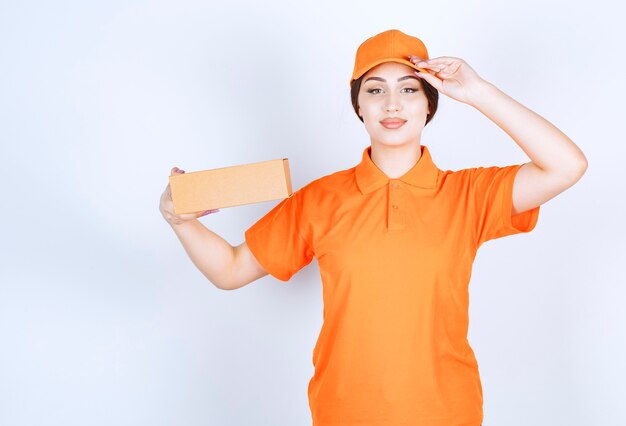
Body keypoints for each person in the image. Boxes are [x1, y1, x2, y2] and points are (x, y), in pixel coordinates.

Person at [159, 29, 587, 426]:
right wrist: (180, 222)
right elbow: (231, 269)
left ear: (429, 104)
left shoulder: (468, 194)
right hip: (343, 413)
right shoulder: (321, 199)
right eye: (375, 90)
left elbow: (567, 166)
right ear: (358, 106)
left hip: (447, 412)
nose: (392, 104)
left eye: (408, 89)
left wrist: (478, 93)